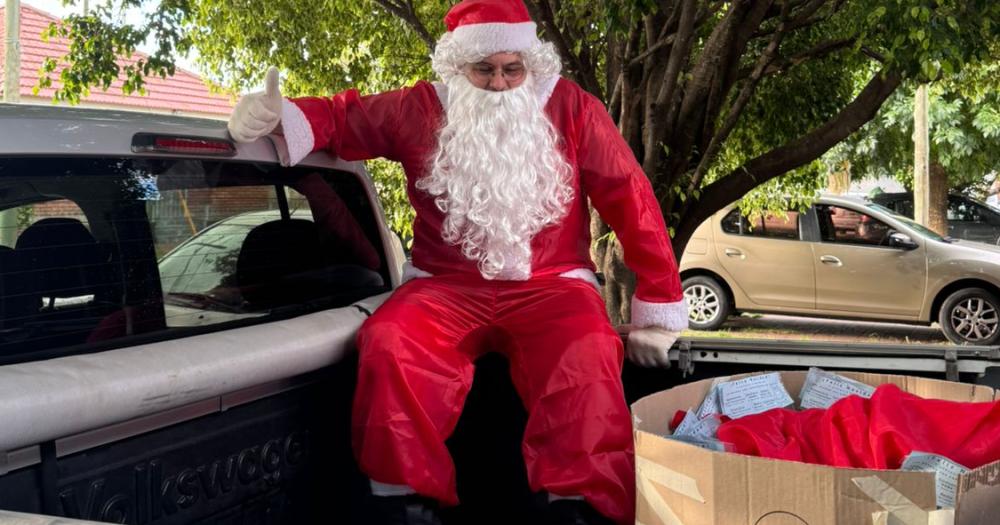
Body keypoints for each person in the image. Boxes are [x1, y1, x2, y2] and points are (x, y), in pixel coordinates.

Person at [227, 1, 687, 523]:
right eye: (483, 70)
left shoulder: (573, 107)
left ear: (529, 64)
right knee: (391, 344)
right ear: (457, 67)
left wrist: (658, 306)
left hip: (553, 284)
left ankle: (579, 509)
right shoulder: (418, 107)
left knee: (585, 353)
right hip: (444, 286)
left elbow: (630, 197)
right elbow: (341, 118)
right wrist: (279, 116)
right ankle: (403, 503)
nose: (498, 84)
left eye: (512, 69)